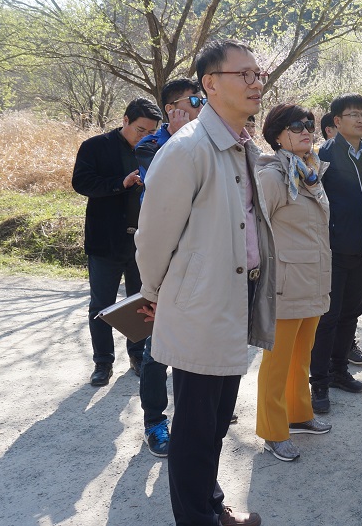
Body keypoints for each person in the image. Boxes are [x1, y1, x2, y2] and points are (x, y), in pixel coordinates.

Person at [135, 39, 273, 526]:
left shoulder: (240, 146)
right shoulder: (188, 148)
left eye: (259, 74)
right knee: (195, 428)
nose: (257, 83)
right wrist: (154, 294)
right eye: (245, 75)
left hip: (233, 297)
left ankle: (211, 508)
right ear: (210, 84)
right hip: (200, 305)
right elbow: (153, 237)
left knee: (214, 423)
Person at [255, 103, 334, 462]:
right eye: (296, 125)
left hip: (313, 281)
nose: (306, 130)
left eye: (309, 124)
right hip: (285, 283)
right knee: (276, 363)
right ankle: (272, 430)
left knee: (302, 356)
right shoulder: (272, 176)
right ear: (277, 134)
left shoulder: (311, 172)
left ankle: (299, 414)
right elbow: (256, 230)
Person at [131, 77, 205, 457]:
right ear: (173, 107)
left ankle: (194, 412)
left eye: (202, 98)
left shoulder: (212, 139)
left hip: (202, 262)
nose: (200, 104)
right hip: (166, 261)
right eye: (194, 99)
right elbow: (159, 179)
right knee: (156, 352)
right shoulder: (151, 145)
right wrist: (177, 135)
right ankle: (155, 422)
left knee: (196, 346)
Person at [72, 97, 162, 387]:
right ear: (124, 120)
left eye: (151, 132)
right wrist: (119, 183)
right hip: (105, 240)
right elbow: (81, 183)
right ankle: (102, 363)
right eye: (140, 130)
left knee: (141, 302)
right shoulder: (95, 146)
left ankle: (137, 356)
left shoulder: (157, 150)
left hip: (143, 242)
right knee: (101, 304)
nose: (146, 137)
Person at [309, 93, 362, 413]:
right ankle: (320, 382)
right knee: (327, 318)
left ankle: (340, 370)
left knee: (351, 314)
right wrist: (330, 236)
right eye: (354, 114)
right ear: (337, 122)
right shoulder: (323, 155)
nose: (361, 119)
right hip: (334, 251)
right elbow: (313, 201)